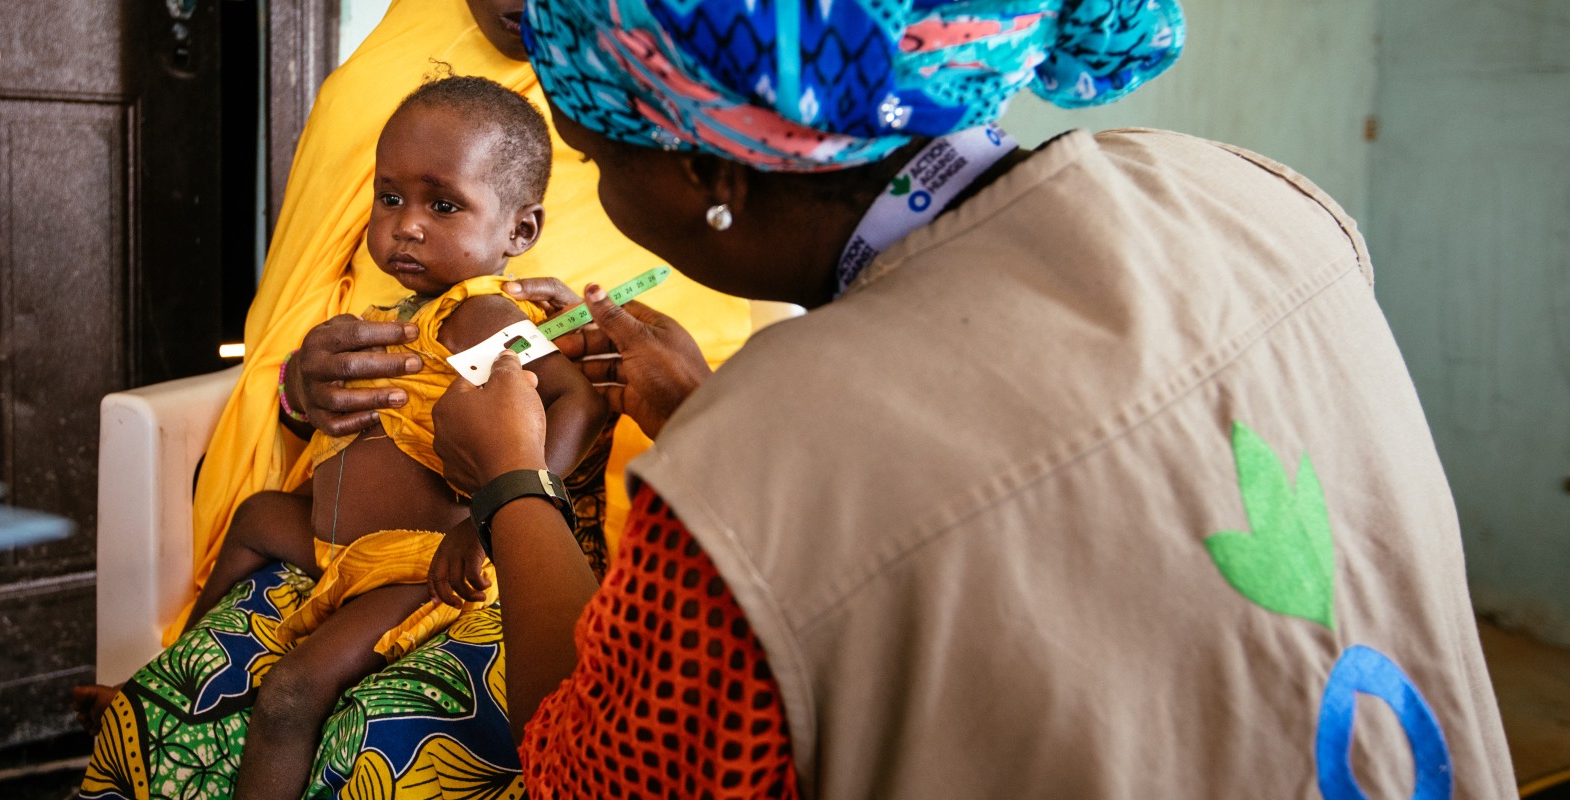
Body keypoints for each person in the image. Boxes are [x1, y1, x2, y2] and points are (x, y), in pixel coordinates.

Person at [300, 0, 1521, 797]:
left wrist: (512, 480)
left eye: (601, 159)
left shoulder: (756, 474)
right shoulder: (1257, 200)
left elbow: (587, 772)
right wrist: (725, 414)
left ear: (706, 172)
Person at [178, 75, 604, 798]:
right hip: (339, 548)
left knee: (291, 694)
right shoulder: (394, 311)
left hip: (411, 566)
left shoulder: (483, 316)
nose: (406, 224)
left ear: (518, 232)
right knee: (254, 517)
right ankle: (178, 664)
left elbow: (578, 400)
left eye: (443, 205)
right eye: (389, 197)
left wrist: (493, 518)